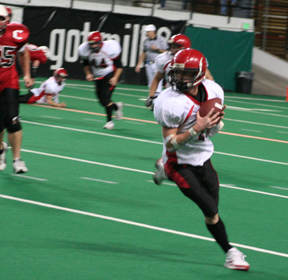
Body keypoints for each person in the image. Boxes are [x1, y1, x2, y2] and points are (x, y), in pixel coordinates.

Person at [153, 48, 250, 271]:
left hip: (204, 157)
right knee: (209, 210)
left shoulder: (213, 90)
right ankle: (230, 252)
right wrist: (196, 129)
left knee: (213, 207)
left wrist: (215, 124)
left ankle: (159, 167)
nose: (179, 78)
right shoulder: (169, 101)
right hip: (178, 163)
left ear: (198, 74)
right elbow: (170, 143)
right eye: (177, 72)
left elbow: (213, 129)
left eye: (185, 74)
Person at [0, 5, 33, 174]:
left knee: (13, 121)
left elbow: (23, 52)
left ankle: (17, 159)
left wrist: (27, 74)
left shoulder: (15, 34)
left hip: (9, 81)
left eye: (0, 18)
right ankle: (1, 150)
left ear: (6, 21)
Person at [146, 33, 213, 109]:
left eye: (175, 47)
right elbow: (157, 78)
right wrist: (151, 96)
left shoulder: (194, 58)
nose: (172, 49)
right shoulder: (164, 59)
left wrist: (208, 96)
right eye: (171, 46)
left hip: (191, 92)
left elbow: (209, 78)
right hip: (173, 92)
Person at [78, 31, 123, 130]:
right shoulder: (85, 50)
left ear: (100, 42)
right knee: (102, 101)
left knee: (106, 98)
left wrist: (115, 77)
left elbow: (119, 66)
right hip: (98, 77)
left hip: (109, 74)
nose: (93, 46)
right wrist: (88, 73)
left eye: (95, 43)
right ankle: (116, 107)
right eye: (91, 44)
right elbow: (85, 64)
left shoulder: (109, 48)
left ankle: (109, 122)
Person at [135, 24, 168, 98]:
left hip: (157, 64)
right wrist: (139, 64)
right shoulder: (146, 41)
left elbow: (166, 51)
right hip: (148, 63)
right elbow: (144, 52)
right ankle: (152, 98)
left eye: (148, 32)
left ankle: (157, 101)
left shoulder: (161, 39)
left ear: (153, 32)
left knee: (158, 83)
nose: (147, 33)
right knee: (150, 83)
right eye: (146, 32)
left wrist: (157, 49)